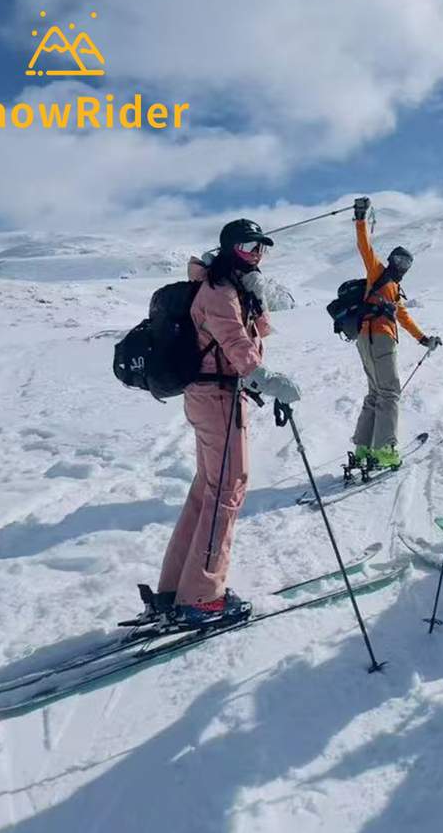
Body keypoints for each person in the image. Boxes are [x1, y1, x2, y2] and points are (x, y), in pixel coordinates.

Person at [156, 219, 302, 626]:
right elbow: (238, 347)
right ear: (229, 249)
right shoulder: (218, 292)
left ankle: (175, 589)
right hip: (217, 398)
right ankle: (201, 596)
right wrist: (268, 380)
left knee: (208, 490)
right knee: (228, 490)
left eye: (260, 249)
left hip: (214, 396)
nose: (256, 255)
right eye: (247, 247)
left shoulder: (231, 288)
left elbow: (259, 333)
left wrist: (256, 293)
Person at [350, 197, 441, 469]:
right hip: (379, 338)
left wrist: (423, 338)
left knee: (375, 393)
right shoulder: (378, 272)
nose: (402, 265)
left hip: (364, 339)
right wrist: (360, 218)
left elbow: (403, 316)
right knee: (390, 392)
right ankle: (385, 449)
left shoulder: (392, 290)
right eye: (400, 260)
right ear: (391, 260)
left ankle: (364, 447)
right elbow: (365, 247)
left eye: (407, 263)